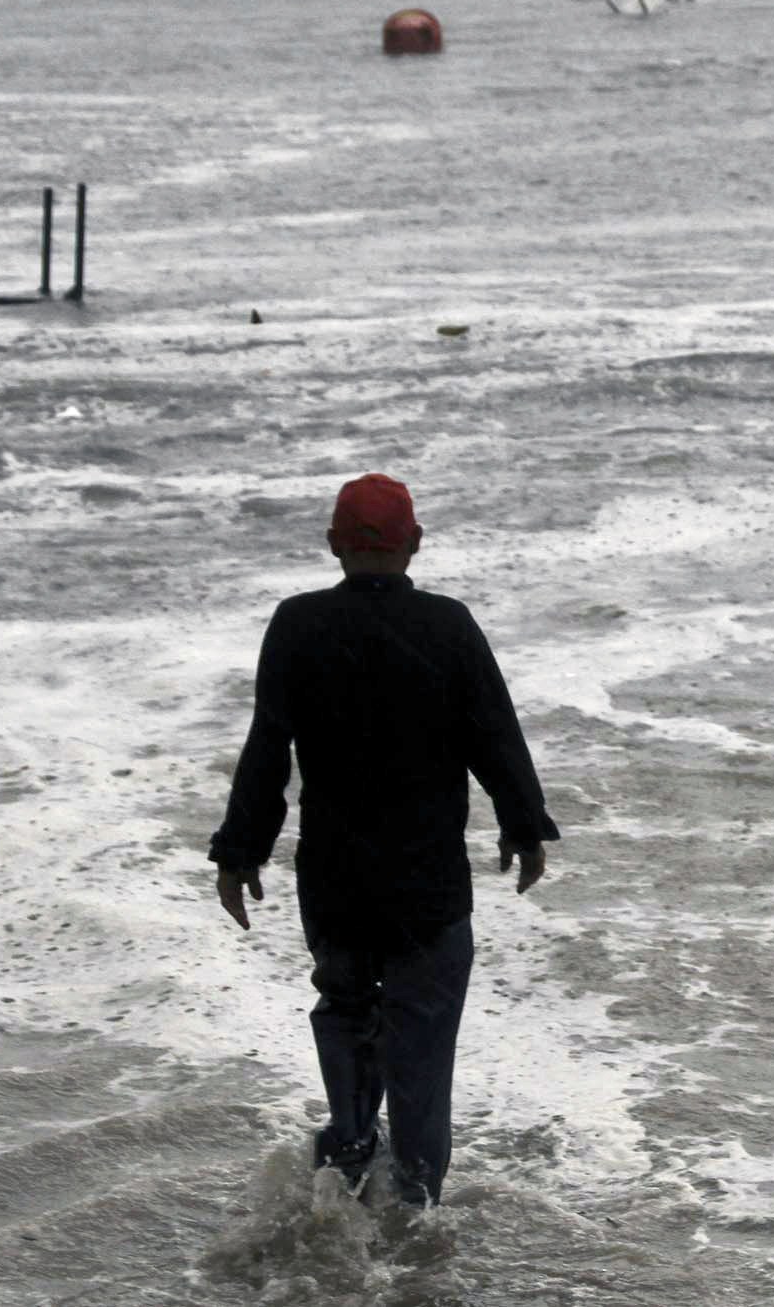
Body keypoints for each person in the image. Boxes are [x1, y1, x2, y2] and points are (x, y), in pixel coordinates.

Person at [208, 472, 560, 1207]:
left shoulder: (297, 625)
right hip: (427, 889)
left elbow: (268, 751)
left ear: (334, 544)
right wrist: (524, 827)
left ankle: (348, 1151)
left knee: (345, 1015)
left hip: (334, 888)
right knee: (423, 1061)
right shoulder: (449, 625)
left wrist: (240, 851)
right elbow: (495, 737)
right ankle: (417, 1215)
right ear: (416, 544)